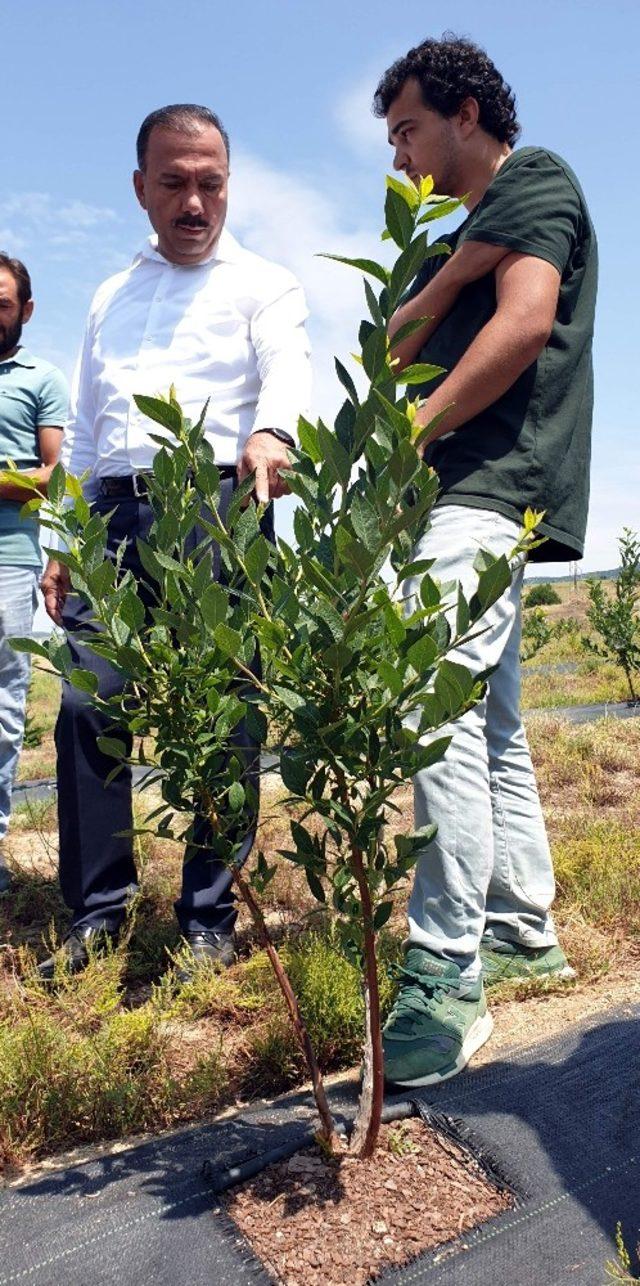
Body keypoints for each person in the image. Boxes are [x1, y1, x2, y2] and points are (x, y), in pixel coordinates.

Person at [39, 104, 310, 979]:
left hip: (219, 515)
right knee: (88, 706)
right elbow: (82, 431)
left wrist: (274, 432)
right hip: (111, 521)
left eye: (211, 183)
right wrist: (61, 536)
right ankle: (98, 914)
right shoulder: (110, 296)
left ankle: (207, 916)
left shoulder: (265, 285)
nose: (195, 202)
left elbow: (289, 371)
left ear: (229, 184)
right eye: (175, 183)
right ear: (139, 189)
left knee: (229, 713)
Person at [372, 36, 597, 1086]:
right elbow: (400, 333)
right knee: (490, 720)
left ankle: (446, 969)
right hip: (462, 492)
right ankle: (520, 928)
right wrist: (444, 272)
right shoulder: (449, 241)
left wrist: (416, 426)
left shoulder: (538, 176)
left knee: (432, 702)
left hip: (490, 485)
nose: (399, 154)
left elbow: (522, 321)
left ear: (466, 112)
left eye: (408, 128)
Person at [0, 255, 67, 894]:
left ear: (25, 309)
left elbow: (54, 477)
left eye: (0, 303)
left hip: (7, 561)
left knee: (0, 705)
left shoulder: (41, 379)